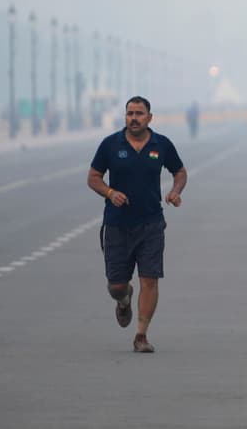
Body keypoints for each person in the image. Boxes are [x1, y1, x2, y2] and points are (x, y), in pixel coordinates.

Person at [87, 96, 186, 353]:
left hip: (151, 223)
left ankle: (141, 335)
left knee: (150, 280)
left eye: (139, 113)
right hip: (117, 225)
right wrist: (110, 193)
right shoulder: (111, 144)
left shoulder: (161, 144)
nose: (134, 118)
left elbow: (180, 171)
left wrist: (175, 191)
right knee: (116, 285)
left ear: (149, 117)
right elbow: (94, 177)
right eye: (130, 113)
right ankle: (124, 299)